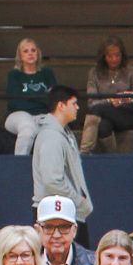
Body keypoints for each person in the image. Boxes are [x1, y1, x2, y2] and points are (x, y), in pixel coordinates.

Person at [29, 88, 93, 241]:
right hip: (56, 214)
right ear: (61, 106)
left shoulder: (64, 134)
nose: (78, 107)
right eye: (74, 103)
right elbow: (52, 180)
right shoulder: (51, 137)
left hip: (63, 211)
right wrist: (78, 201)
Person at [81, 36, 133, 153]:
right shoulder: (94, 73)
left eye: (117, 55)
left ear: (122, 55)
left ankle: (83, 152)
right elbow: (91, 103)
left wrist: (126, 99)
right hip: (104, 116)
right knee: (103, 127)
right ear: (103, 56)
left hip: (127, 116)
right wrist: (110, 101)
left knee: (98, 110)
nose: (114, 59)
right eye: (110, 56)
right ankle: (112, 157)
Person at [33, 196, 93, 265]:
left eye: (64, 227)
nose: (56, 235)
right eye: (48, 227)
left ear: (74, 230)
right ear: (38, 230)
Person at [5, 38, 58, 157]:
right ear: (20, 56)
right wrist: (41, 99)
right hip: (18, 115)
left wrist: (27, 98)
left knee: (55, 130)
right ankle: (19, 164)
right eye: (26, 51)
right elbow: (14, 102)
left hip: (43, 115)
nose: (30, 53)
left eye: (33, 50)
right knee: (28, 130)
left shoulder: (47, 73)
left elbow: (54, 99)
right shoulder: (14, 74)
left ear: (38, 53)